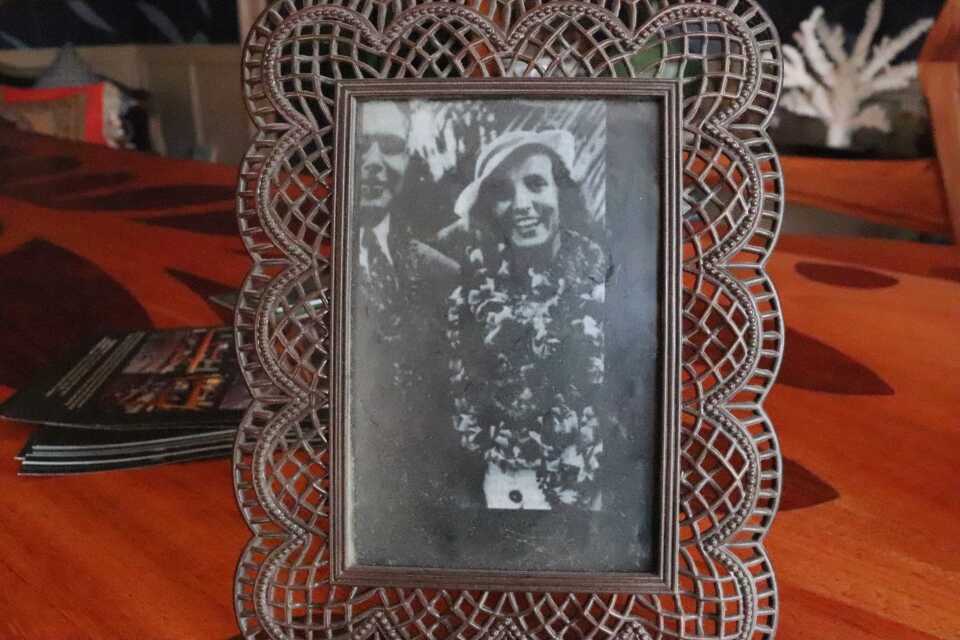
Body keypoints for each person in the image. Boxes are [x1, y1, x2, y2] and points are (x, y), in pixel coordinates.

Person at [446, 129, 614, 512]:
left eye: (536, 184)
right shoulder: (469, 292)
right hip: (502, 486)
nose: (521, 205)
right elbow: (465, 405)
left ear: (561, 193)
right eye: (503, 192)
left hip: (593, 484)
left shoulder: (601, 279)